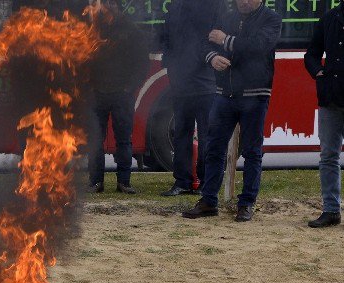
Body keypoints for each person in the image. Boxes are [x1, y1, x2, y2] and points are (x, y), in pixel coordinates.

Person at [183, 0, 281, 222]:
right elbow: (204, 43)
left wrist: (225, 40)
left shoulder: (271, 19)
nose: (243, 2)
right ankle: (209, 200)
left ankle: (246, 203)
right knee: (213, 149)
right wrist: (212, 57)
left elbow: (258, 46)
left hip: (255, 95)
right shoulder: (226, 16)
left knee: (252, 152)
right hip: (223, 94)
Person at [160, 0, 227, 196]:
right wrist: (170, 64)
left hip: (205, 81)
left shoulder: (214, 5)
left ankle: (206, 181)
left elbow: (215, 38)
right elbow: (167, 38)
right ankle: (182, 181)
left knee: (207, 135)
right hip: (181, 82)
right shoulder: (173, 7)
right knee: (181, 133)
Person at [87, 0, 149, 194]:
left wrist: (129, 88)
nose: (108, 7)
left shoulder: (131, 30)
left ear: (118, 5)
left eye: (112, 3)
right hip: (98, 94)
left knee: (124, 140)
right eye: (105, 3)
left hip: (122, 95)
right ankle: (96, 182)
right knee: (95, 140)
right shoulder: (93, 29)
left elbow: (142, 63)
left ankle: (124, 182)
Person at [304, 4, 344, 228]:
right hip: (330, 99)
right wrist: (318, 72)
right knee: (328, 156)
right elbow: (311, 54)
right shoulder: (329, 18)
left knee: (329, 157)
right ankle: (331, 210)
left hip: (332, 97)